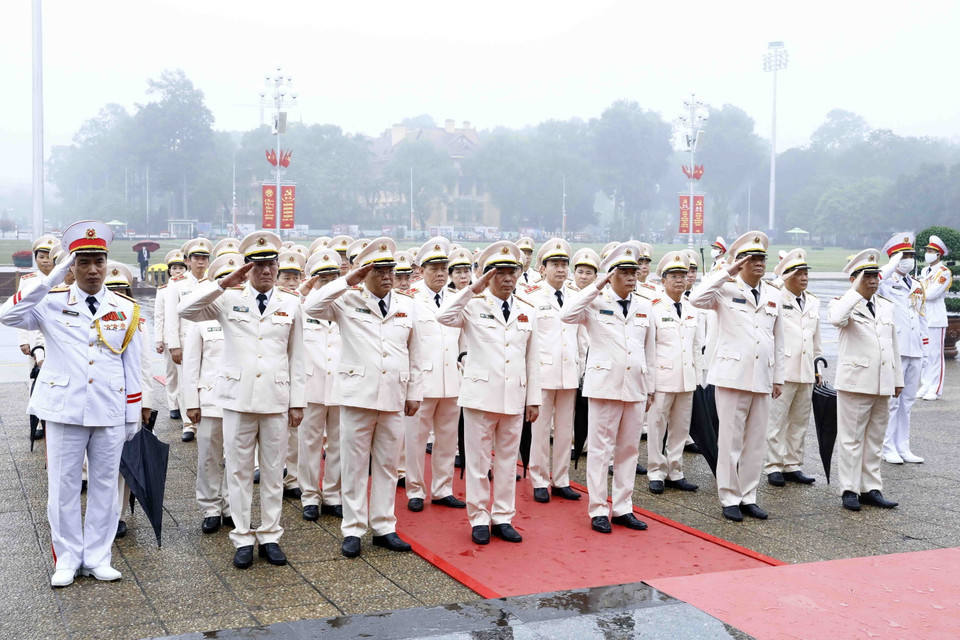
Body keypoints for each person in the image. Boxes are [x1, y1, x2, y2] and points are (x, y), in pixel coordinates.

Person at [0, 220, 143, 587]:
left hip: (109, 408)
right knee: (62, 486)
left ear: (107, 263)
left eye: (98, 261)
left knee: (105, 485)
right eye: (83, 262)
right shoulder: (49, 302)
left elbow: (132, 364)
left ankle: (98, 556)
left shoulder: (124, 307)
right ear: (72, 267)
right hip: (64, 407)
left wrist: (132, 415)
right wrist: (50, 278)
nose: (93, 270)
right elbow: (8, 315)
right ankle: (66, 558)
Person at [178, 231, 306, 569]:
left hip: (276, 398)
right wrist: (222, 284)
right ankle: (242, 537)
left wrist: (298, 401)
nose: (266, 271)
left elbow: (298, 355)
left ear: (278, 267)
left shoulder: (291, 303)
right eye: (258, 264)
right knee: (237, 471)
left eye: (271, 264)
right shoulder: (228, 299)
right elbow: (186, 309)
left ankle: (270, 535)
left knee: (274, 471)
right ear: (248, 268)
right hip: (236, 399)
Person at [303, 238, 422, 558]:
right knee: (354, 465)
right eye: (378, 270)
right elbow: (310, 307)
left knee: (386, 465)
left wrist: (414, 393)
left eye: (390, 270)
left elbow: (416, 353)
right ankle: (353, 528)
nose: (387, 276)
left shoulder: (407, 305)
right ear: (364, 273)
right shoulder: (347, 300)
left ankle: (384, 525)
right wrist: (347, 279)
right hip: (358, 396)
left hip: (394, 396)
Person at [438, 241, 541, 545]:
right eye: (501, 273)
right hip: (481, 395)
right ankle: (479, 517)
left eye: (513, 272)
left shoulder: (527, 310)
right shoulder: (472, 305)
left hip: (514, 395)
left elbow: (532, 357)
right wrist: (473, 288)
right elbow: (444, 316)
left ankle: (503, 517)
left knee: (508, 463)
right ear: (487, 275)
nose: (509, 278)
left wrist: (533, 398)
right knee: (479, 462)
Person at [688, 231, 784, 522]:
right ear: (739, 262)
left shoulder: (773, 294)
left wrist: (778, 376)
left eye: (761, 258)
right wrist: (725, 271)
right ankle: (729, 496)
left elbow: (778, 340)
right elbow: (696, 297)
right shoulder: (725, 289)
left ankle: (748, 495)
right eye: (751, 258)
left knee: (755, 441)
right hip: (732, 375)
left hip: (762, 377)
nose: (758, 263)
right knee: (730, 441)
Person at [561, 244, 654, 534]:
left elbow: (649, 350)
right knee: (600, 451)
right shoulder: (594, 302)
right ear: (611, 275)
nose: (631, 277)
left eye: (633, 272)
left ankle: (624, 507)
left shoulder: (645, 306)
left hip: (635, 386)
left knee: (628, 450)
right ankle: (599, 508)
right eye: (624, 272)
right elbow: (566, 314)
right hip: (604, 387)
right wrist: (596, 285)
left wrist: (650, 387)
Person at [828, 249, 904, 511]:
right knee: (851, 438)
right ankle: (849, 489)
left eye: (875, 276)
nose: (873, 281)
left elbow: (892, 344)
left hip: (882, 381)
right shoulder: (843, 303)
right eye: (866, 276)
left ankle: (871, 487)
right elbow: (837, 318)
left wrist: (897, 378)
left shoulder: (886, 306)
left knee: (875, 437)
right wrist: (856, 293)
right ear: (854, 279)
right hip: (855, 381)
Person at [404, 238, 466, 512]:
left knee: (447, 438)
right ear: (421, 269)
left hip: (452, 380)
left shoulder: (456, 299)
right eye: (434, 268)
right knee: (416, 439)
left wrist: (465, 363)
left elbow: (464, 340)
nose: (440, 273)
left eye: (444, 267)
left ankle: (442, 489)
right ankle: (415, 489)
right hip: (422, 381)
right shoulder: (410, 299)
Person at [182, 254, 238, 534]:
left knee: (237, 456)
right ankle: (211, 507)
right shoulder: (204, 318)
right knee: (208, 456)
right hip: (211, 400)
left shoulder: (246, 313)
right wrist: (191, 403)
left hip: (240, 398)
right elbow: (191, 364)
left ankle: (230, 505)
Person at [525, 239, 581, 503]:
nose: (560, 269)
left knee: (565, 430)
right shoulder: (532, 297)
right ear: (543, 268)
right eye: (555, 264)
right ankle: (538, 478)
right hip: (543, 374)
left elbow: (580, 337)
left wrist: (581, 367)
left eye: (564, 264)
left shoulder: (575, 296)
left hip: (569, 372)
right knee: (540, 429)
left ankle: (560, 479)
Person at [764, 249, 822, 486]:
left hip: (806, 369)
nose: (804, 278)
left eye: (806, 273)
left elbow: (815, 338)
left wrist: (818, 367)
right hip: (783, 369)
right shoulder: (776, 297)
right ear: (787, 276)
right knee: (776, 421)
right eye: (798, 273)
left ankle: (792, 464)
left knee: (799, 421)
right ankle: (773, 466)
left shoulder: (814, 301)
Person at [646, 252, 702, 494]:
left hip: (686, 378)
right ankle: (655, 471)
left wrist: (698, 377)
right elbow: (648, 348)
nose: (680, 280)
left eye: (683, 276)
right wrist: (649, 383)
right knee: (657, 426)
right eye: (674, 276)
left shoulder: (692, 308)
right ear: (663, 281)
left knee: (680, 427)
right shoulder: (653, 308)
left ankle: (675, 471)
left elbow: (696, 347)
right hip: (662, 378)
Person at [297, 250, 344, 521]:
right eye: (322, 279)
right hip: (311, 385)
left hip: (340, 386)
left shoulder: (348, 305)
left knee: (338, 443)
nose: (327, 284)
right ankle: (310, 496)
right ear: (312, 281)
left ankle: (333, 495)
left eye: (332, 278)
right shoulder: (301, 307)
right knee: (309, 444)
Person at [878, 233, 928, 464]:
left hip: (915, 348)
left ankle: (903, 445)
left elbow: (921, 317)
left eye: (911, 256)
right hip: (895, 348)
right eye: (904, 256)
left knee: (907, 402)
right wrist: (889, 265)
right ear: (894, 258)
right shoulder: (885, 282)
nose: (909, 260)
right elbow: (871, 283)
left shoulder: (916, 284)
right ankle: (887, 447)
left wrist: (925, 349)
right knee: (892, 402)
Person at [165, 238, 213, 442]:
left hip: (210, 338)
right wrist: (174, 345)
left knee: (209, 379)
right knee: (186, 381)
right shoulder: (177, 284)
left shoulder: (214, 282)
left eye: (204, 258)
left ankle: (208, 416)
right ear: (187, 261)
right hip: (185, 341)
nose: (201, 262)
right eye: (196, 258)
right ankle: (188, 423)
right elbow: (171, 316)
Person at [276, 249, 307, 498]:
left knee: (297, 433)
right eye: (286, 277)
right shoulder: (277, 303)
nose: (292, 282)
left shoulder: (305, 302)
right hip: (275, 376)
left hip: (300, 375)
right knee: (273, 434)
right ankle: (272, 473)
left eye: (296, 277)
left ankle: (293, 479)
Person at [918, 235, 952, 400]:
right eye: (927, 251)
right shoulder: (924, 271)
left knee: (935, 355)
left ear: (938, 254)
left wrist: (917, 290)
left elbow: (931, 294)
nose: (927, 253)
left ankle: (935, 387)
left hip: (936, 318)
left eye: (931, 251)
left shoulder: (944, 272)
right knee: (925, 353)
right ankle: (925, 384)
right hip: (923, 317)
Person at [155, 251, 186, 422]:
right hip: (169, 337)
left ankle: (186, 404)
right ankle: (174, 404)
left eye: (181, 267)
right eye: (174, 268)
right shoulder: (163, 290)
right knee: (172, 372)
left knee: (188, 373)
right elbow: (159, 316)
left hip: (188, 335)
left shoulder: (190, 287)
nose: (178, 271)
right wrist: (158, 340)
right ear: (169, 271)